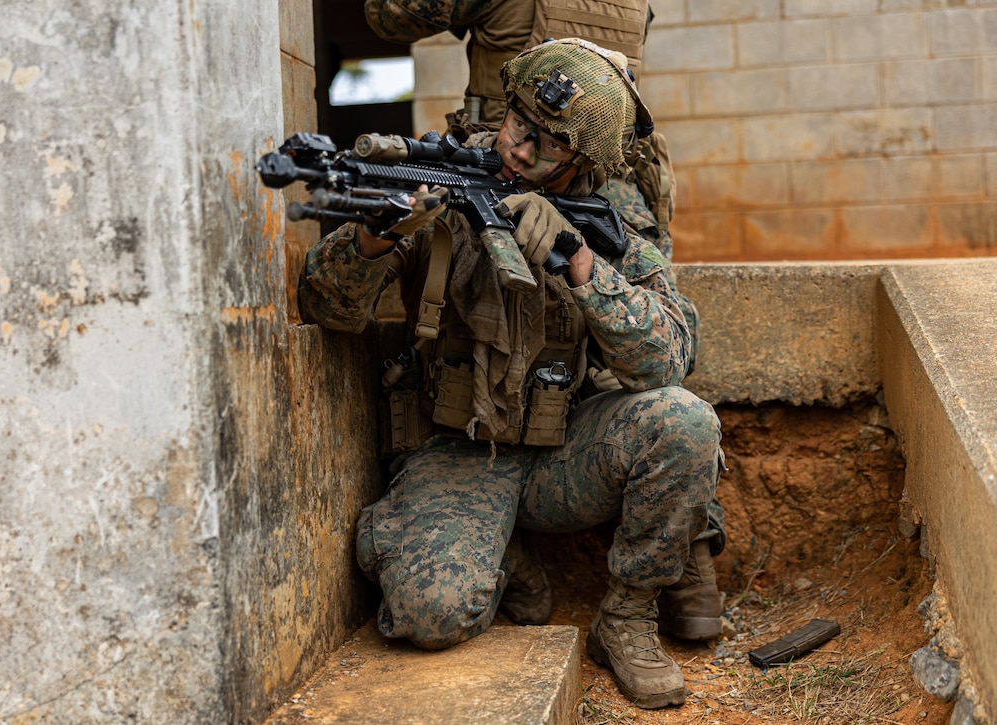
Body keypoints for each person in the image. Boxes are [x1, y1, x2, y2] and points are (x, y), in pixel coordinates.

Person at [299, 38, 721, 709]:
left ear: (581, 159)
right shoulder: (442, 177)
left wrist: (579, 262)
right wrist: (377, 234)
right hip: (462, 450)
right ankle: (494, 556)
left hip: (567, 455)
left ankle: (628, 618)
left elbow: (669, 355)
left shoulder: (603, 213)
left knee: (685, 422)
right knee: (428, 615)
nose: (522, 150)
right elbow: (325, 303)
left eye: (550, 145)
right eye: (521, 125)